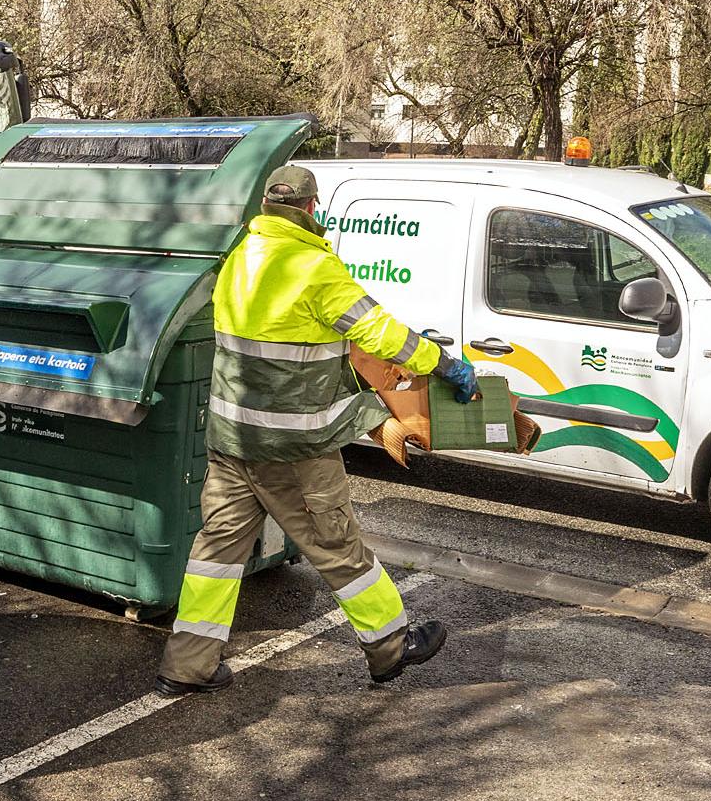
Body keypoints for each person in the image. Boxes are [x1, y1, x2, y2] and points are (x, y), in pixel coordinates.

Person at [155, 165, 480, 696]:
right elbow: (380, 334)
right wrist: (442, 364)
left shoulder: (239, 258)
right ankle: (391, 648)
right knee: (338, 548)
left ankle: (187, 666)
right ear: (311, 210)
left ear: (266, 206)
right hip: (295, 449)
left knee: (216, 552)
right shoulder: (313, 267)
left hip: (232, 441)